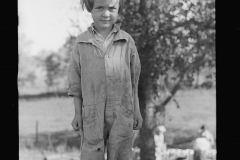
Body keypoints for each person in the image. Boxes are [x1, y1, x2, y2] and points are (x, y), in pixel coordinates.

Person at [67, 0, 143, 160]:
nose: (106, 13)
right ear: (90, 9)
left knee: (121, 154)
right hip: (92, 112)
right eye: (100, 8)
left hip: (123, 111)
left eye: (112, 8)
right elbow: (75, 82)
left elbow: (134, 81)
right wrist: (77, 113)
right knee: (91, 154)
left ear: (118, 10)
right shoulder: (81, 42)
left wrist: (136, 110)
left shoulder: (127, 41)